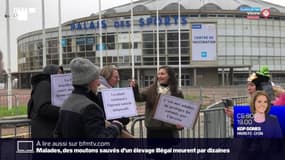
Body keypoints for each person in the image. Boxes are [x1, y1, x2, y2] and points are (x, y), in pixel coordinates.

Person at [54, 57, 123, 138]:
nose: (98, 83)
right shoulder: (90, 108)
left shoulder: (66, 103)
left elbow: (57, 134)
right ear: (89, 81)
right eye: (97, 79)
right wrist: (115, 127)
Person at [27, 64, 64, 138]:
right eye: (59, 73)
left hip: (47, 131)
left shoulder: (48, 85)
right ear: (51, 73)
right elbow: (44, 108)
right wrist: (64, 111)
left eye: (62, 73)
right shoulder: (44, 85)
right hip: (45, 133)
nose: (61, 76)